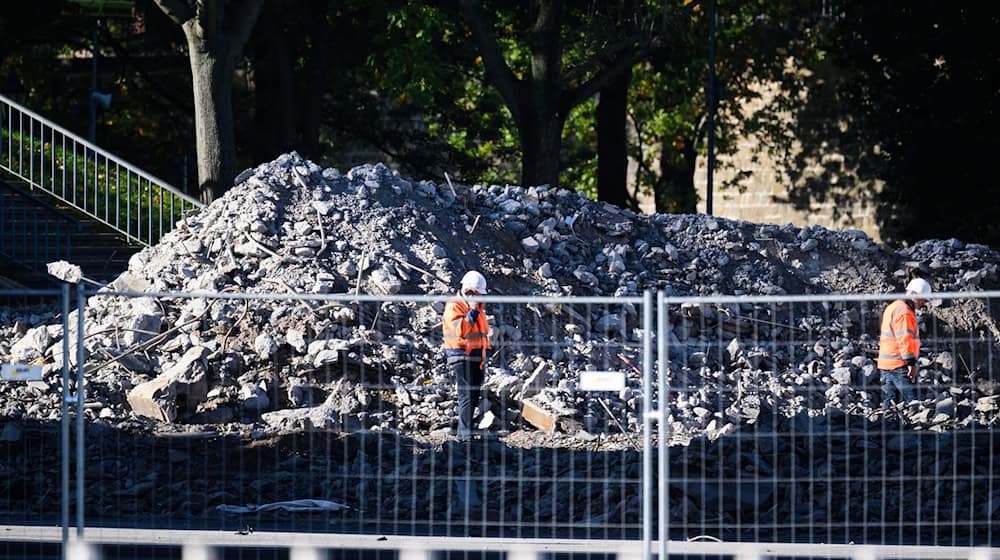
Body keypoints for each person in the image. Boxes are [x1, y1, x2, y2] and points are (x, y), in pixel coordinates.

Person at [442, 270, 492, 439]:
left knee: (473, 395)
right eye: (478, 294)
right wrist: (472, 310)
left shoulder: (478, 309)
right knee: (466, 396)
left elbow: (482, 334)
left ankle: (466, 433)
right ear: (470, 291)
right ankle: (464, 436)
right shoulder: (455, 305)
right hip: (462, 355)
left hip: (476, 357)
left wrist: (486, 352)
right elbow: (461, 330)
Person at [877, 277, 932, 410]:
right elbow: (904, 340)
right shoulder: (905, 312)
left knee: (891, 400)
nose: (923, 303)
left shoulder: (894, 306)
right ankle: (917, 425)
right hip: (898, 363)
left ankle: (886, 423)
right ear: (914, 294)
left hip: (886, 363)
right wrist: (911, 364)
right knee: (912, 400)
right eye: (922, 299)